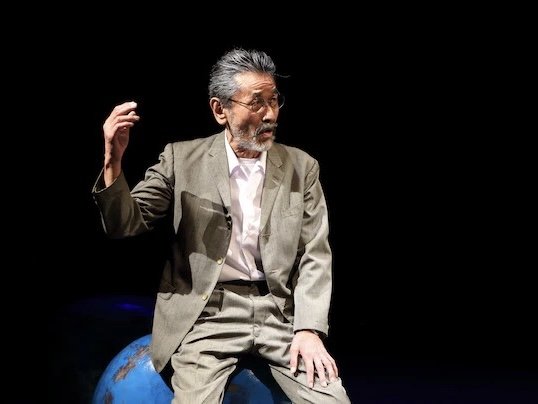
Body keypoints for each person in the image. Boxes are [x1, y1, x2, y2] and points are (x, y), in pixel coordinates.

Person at [92, 48, 351, 403]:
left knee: (333, 399)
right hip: (207, 314)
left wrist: (309, 329)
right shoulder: (181, 159)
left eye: (274, 101)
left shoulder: (302, 167)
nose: (270, 114)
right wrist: (113, 160)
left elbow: (314, 255)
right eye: (256, 103)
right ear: (220, 110)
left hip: (279, 313)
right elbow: (124, 223)